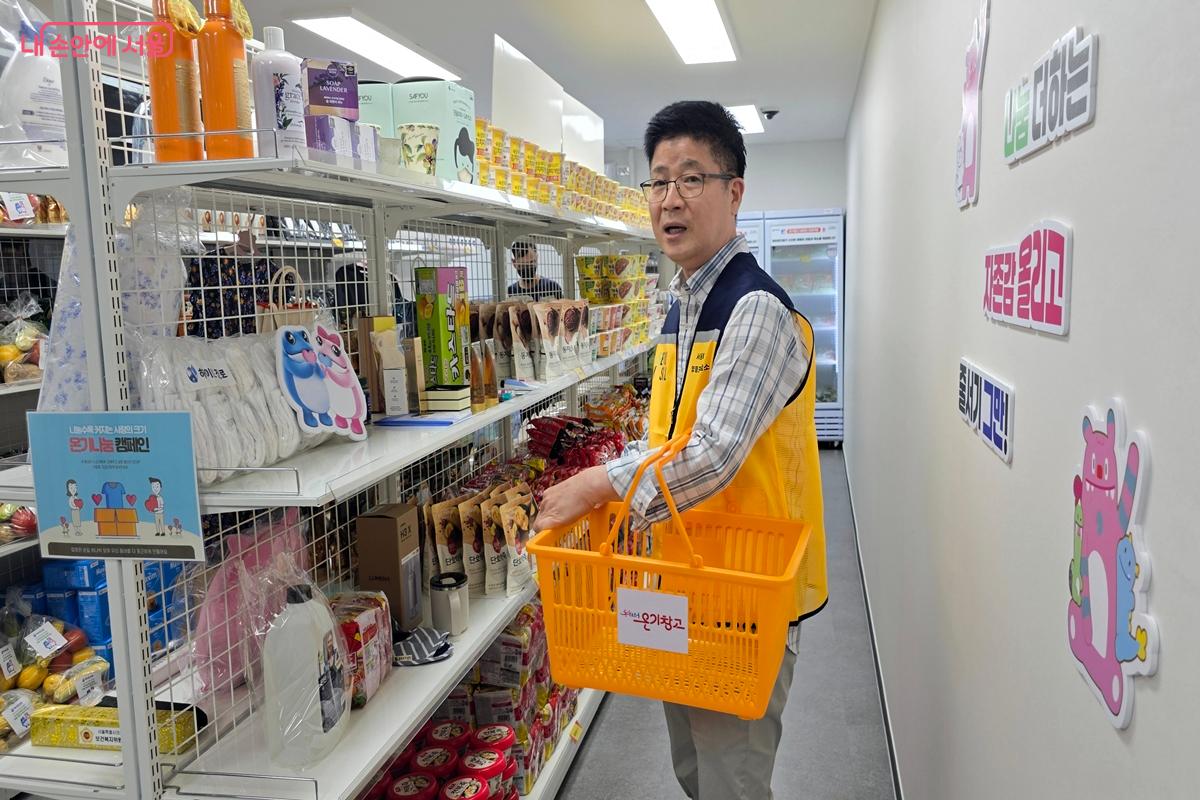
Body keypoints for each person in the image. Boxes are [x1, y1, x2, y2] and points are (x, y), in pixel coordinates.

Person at [533, 100, 828, 800]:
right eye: (659, 181)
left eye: (691, 178)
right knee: (695, 769)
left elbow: (711, 453)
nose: (670, 199)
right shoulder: (682, 305)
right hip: (684, 579)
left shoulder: (754, 308)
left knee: (730, 778)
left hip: (741, 596)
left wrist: (595, 485)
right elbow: (668, 438)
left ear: (734, 191)